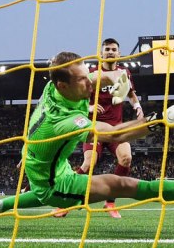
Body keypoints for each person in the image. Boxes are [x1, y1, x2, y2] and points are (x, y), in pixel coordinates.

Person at [0, 51, 174, 229]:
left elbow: (99, 76)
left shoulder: (56, 86)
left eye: (87, 74)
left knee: (41, 192)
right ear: (63, 86)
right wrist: (161, 119)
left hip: (46, 164)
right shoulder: (63, 122)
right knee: (122, 184)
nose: (89, 83)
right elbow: (114, 134)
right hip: (54, 183)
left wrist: (119, 80)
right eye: (82, 80)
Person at [55, 38, 143, 218]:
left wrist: (138, 107)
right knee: (89, 163)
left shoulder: (124, 73)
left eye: (113, 49)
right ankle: (66, 201)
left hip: (116, 128)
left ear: (119, 54)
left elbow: (131, 94)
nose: (110, 52)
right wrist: (88, 107)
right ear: (101, 53)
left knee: (126, 158)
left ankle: (110, 202)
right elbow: (75, 96)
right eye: (107, 49)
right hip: (94, 128)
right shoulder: (91, 73)